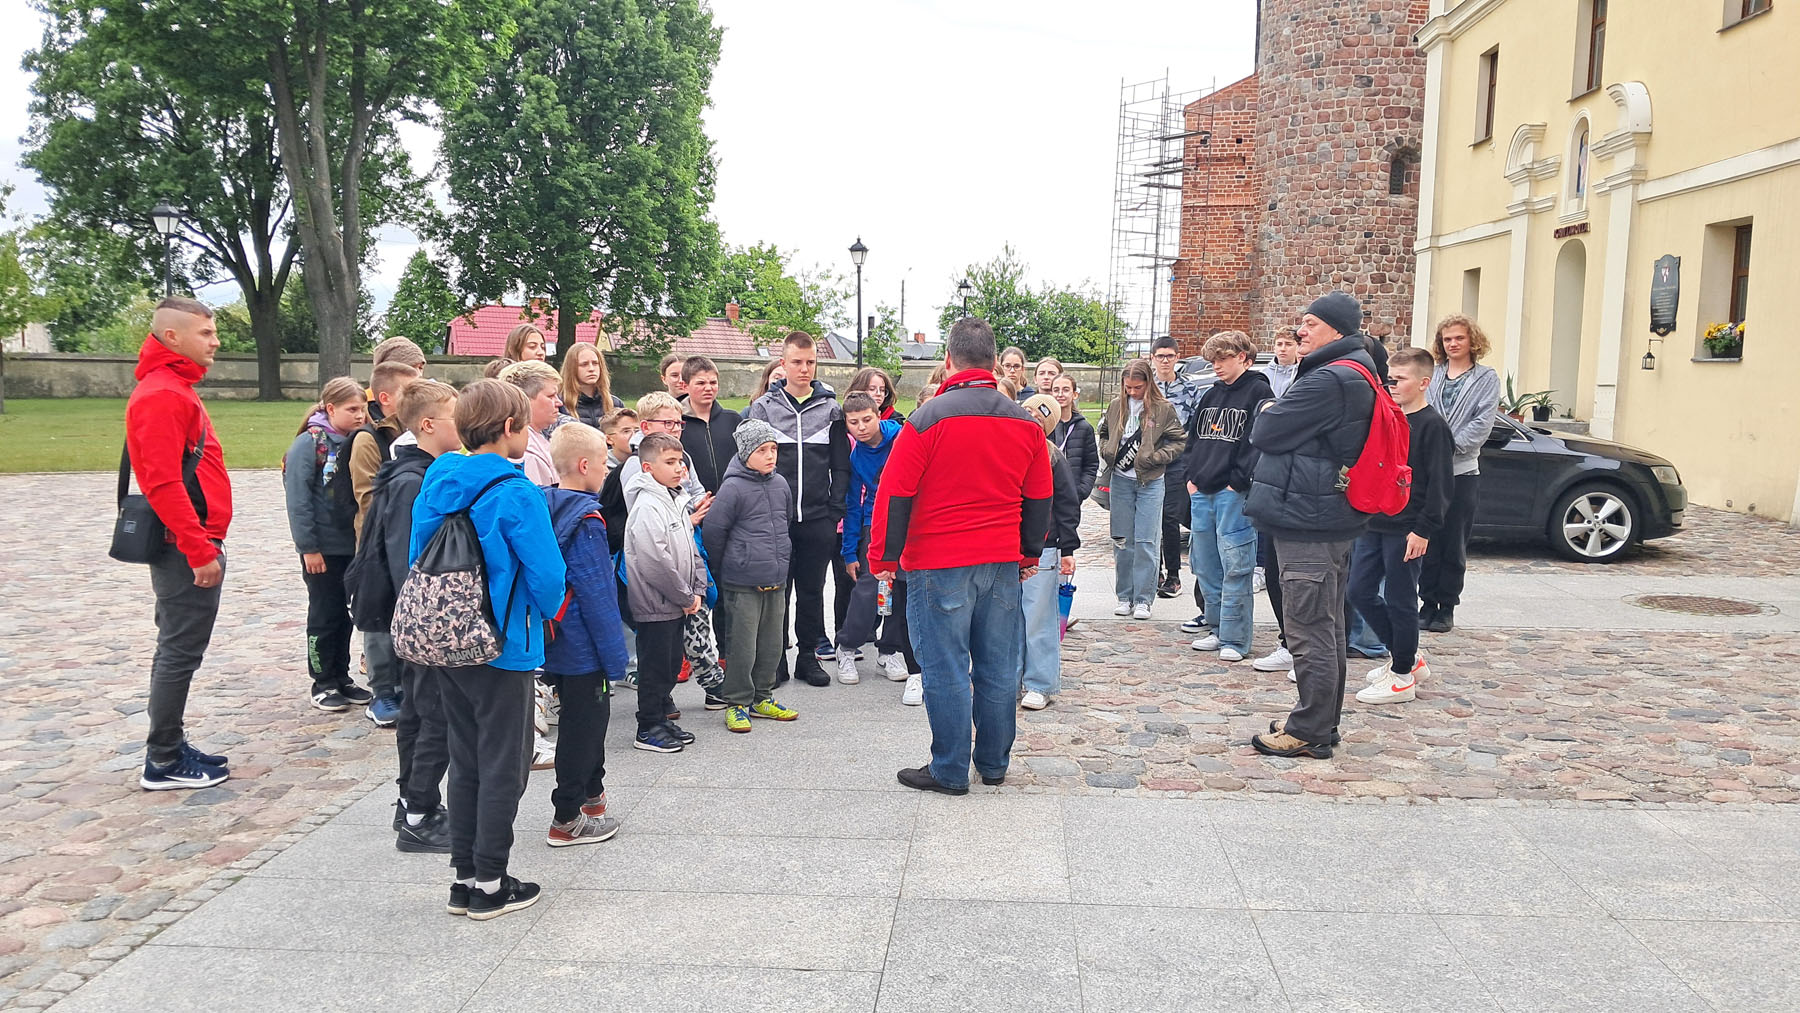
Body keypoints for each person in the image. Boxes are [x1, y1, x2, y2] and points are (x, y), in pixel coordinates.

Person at [871, 317, 1053, 796]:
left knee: (945, 667)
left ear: (948, 360)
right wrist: (1029, 552)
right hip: (1001, 561)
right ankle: (992, 763)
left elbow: (894, 493)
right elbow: (1040, 495)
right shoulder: (1024, 423)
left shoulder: (927, 419)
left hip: (938, 560)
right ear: (993, 362)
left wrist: (883, 558)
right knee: (998, 667)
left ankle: (950, 768)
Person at [409, 379, 566, 920]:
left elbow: (417, 553)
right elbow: (548, 577)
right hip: (503, 643)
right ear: (508, 427)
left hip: (447, 642)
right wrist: (545, 613)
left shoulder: (437, 479)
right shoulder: (516, 492)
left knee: (466, 758)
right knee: (505, 762)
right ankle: (492, 883)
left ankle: (465, 876)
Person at [1246, 291, 1378, 760]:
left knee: (1309, 628)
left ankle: (1310, 730)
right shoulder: (1352, 370)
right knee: (1328, 625)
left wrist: (1267, 410)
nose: (1301, 331)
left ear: (1336, 330)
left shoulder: (1331, 379)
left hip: (1309, 519)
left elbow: (1265, 431)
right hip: (1323, 514)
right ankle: (1322, 721)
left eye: (1311, 324)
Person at [127, 297, 235, 791]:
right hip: (183, 545)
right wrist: (198, 550)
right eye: (205, 333)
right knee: (178, 651)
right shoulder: (163, 394)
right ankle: (164, 758)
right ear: (172, 337)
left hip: (191, 539)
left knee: (179, 648)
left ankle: (170, 743)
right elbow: (162, 482)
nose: (215, 341)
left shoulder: (174, 388)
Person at [366, 378, 460, 853]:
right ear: (427, 425)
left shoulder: (421, 472)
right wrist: (431, 622)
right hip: (424, 621)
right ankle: (419, 811)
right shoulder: (412, 481)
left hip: (418, 620)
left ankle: (413, 801)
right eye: (454, 416)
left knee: (423, 712)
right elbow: (409, 562)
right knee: (432, 714)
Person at [744, 332, 850, 688]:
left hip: (818, 519)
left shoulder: (831, 408)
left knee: (812, 590)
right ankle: (775, 661)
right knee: (777, 593)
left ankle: (808, 658)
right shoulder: (764, 408)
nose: (804, 369)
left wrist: (834, 511)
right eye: (797, 362)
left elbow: (841, 465)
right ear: (783, 364)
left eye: (810, 362)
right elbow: (752, 465)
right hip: (775, 521)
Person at [541, 423, 630, 845]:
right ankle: (567, 818)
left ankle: (593, 795)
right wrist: (615, 657)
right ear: (583, 465)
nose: (606, 471)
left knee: (584, 720)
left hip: (556, 638)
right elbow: (598, 593)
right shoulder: (587, 520)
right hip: (583, 645)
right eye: (601, 464)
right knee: (584, 726)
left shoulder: (547, 504)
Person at [1351, 347, 1453, 706]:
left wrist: (1424, 529)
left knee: (1401, 599)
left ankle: (1401, 675)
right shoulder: (1386, 417)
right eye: (1389, 378)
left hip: (1407, 527)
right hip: (1375, 521)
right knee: (1358, 590)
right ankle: (1406, 655)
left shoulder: (1433, 426)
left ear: (1423, 383)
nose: (1392, 384)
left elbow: (1441, 485)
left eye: (1400, 379)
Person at [703, 419, 802, 732]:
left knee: (772, 644)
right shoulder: (732, 488)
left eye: (773, 449)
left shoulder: (780, 484)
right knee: (742, 646)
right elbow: (714, 532)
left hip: (776, 578)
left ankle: (762, 697)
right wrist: (728, 567)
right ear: (746, 453)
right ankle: (737, 701)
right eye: (762, 450)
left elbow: (785, 521)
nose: (770, 455)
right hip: (742, 581)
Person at [1181, 331, 1273, 664]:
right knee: (1205, 565)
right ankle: (1217, 627)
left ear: (1243, 358)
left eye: (1223, 359)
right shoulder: (1211, 394)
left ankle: (1235, 637)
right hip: (1201, 490)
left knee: (1236, 565)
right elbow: (1192, 439)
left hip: (1232, 492)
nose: (1217, 366)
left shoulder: (1259, 392)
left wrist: (1238, 481)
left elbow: (1259, 441)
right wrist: (1190, 478)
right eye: (1213, 361)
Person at [283, 377, 373, 713]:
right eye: (352, 409)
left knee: (345, 615)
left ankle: (341, 676)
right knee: (324, 614)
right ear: (331, 409)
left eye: (362, 409)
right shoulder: (310, 444)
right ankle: (322, 680)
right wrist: (308, 547)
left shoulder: (357, 441)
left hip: (351, 546)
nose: (360, 415)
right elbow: (298, 501)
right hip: (322, 549)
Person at [624, 432, 708, 753]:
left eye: (680, 462)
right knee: (655, 667)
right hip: (656, 605)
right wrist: (685, 596)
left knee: (671, 662)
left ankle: (660, 717)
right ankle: (647, 726)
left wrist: (697, 588)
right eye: (670, 462)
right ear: (648, 468)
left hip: (678, 603)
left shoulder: (675, 499)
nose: (679, 468)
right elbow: (655, 562)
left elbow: (690, 547)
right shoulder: (647, 506)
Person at [832, 393, 920, 696]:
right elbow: (853, 505)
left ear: (879, 415)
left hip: (908, 520)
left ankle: (889, 650)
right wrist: (849, 551)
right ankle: (847, 646)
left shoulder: (902, 438)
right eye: (853, 422)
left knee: (901, 587)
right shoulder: (856, 457)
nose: (861, 427)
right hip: (876, 522)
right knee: (870, 586)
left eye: (867, 419)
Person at [1418, 313, 1501, 634]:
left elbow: (1482, 422)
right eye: (1447, 339)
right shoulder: (1433, 374)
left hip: (1462, 471)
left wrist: (1446, 448)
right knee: (1426, 539)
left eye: (1459, 338)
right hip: (1427, 472)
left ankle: (1446, 605)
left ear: (1471, 341)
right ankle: (1426, 601)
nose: (1453, 344)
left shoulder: (1485, 378)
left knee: (1453, 542)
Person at [350, 359, 420, 726]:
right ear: (386, 398)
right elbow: (366, 497)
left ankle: (405, 683)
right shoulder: (369, 438)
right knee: (379, 614)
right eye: (409, 391)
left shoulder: (415, 432)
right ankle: (382, 690)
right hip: (376, 537)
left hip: (403, 533)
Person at [1097, 359, 1186, 620]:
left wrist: (1156, 457)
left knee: (1147, 540)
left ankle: (1144, 599)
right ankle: (1124, 596)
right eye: (1128, 387)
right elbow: (1104, 432)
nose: (1132, 392)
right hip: (1120, 480)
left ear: (1148, 383)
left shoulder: (1163, 408)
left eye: (1137, 387)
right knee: (1122, 540)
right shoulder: (1117, 406)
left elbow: (1178, 441)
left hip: (1151, 480)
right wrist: (1107, 450)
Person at [1017, 394, 1080, 711]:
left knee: (1039, 617)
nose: (1030, 418)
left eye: (1038, 417)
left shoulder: (1053, 457)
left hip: (1045, 546)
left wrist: (1067, 548)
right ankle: (1010, 676)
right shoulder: (1007, 450)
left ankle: (1040, 682)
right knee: (1009, 619)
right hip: (1008, 546)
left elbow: (1067, 504)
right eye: (1026, 411)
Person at [1151, 336, 1203, 601]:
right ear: (1153, 358)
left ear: (1177, 358)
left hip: (1177, 461)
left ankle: (1173, 574)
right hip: (1150, 460)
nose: (1165, 361)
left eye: (1169, 356)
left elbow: (1195, 427)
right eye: (1160, 356)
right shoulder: (1146, 387)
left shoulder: (1189, 389)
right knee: (1151, 517)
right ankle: (1154, 572)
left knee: (1170, 517)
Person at [679, 355, 741, 494]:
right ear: (685, 386)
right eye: (700, 383)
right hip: (693, 499)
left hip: (732, 496)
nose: (708, 388)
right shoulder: (677, 424)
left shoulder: (733, 420)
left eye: (713, 383)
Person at [497, 361, 561, 487]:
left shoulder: (536, 439)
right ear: (524, 399)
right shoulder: (526, 454)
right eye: (551, 396)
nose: (559, 402)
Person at [1049, 373, 1099, 500]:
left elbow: (1091, 464)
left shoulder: (1084, 428)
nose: (1060, 394)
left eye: (1066, 390)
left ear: (1075, 394)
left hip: (1072, 495)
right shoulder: (1045, 426)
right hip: (1047, 494)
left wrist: (1082, 491)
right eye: (1056, 390)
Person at [559, 342, 621, 427]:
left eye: (595, 363)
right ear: (572, 368)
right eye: (584, 364)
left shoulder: (615, 404)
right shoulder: (560, 405)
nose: (591, 369)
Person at [1265, 327, 1301, 398]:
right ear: (1274, 348)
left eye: (1288, 344)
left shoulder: (1302, 374)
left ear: (1298, 347)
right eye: (1279, 344)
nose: (1283, 349)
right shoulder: (1264, 374)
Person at [601, 409, 639, 475]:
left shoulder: (649, 462)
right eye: (626, 431)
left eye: (637, 431)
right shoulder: (601, 468)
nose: (634, 435)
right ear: (609, 439)